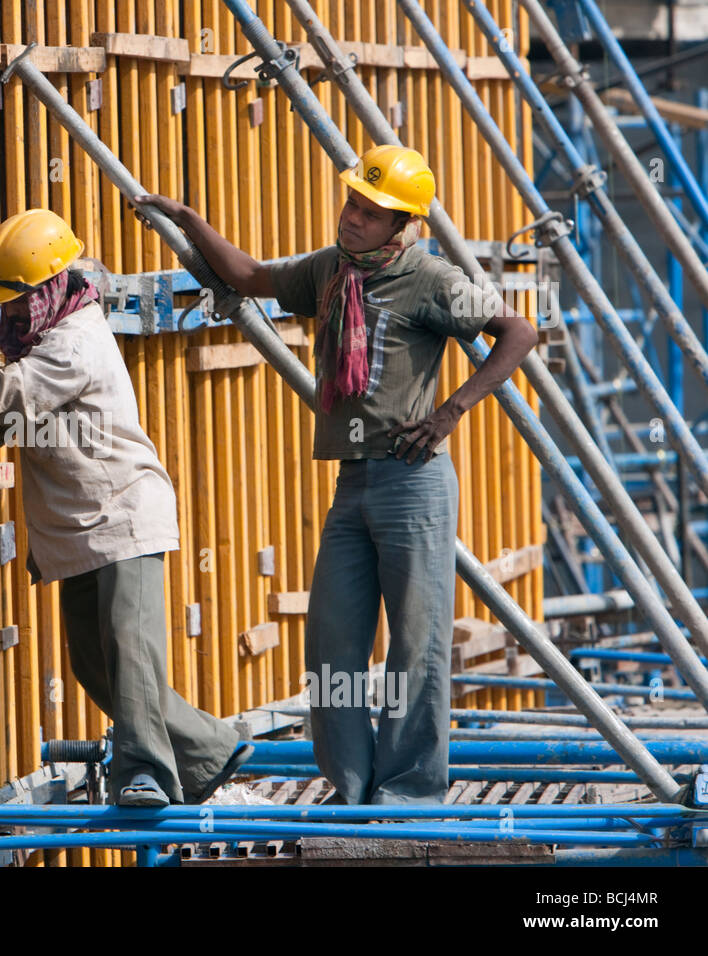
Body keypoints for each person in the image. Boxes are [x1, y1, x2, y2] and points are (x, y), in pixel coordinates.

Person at [136, 145, 538, 803]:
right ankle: (350, 789)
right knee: (331, 645)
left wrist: (450, 411)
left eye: (369, 213)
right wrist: (187, 219)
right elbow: (250, 276)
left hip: (414, 480)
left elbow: (518, 331)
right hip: (353, 482)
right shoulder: (329, 270)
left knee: (417, 646)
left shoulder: (430, 278)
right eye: (352, 203)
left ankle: (409, 794)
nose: (352, 218)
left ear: (398, 226)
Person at [0, 208, 253, 806]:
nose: (11, 312)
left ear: (53, 285)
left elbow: (5, 395)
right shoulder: (45, 334)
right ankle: (211, 747)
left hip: (123, 514)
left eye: (20, 298)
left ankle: (145, 775)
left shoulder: (76, 342)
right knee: (93, 666)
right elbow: (13, 416)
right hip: (79, 527)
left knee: (131, 657)